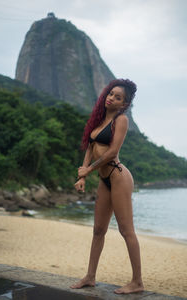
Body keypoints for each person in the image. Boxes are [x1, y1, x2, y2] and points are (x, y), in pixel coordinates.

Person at [70, 79, 144, 294]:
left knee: (126, 230)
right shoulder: (99, 120)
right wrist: (83, 175)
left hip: (118, 176)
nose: (111, 98)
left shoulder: (120, 120)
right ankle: (90, 276)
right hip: (104, 180)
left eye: (117, 97)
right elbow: (90, 147)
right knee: (98, 230)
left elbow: (111, 152)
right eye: (111, 94)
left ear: (124, 104)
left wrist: (88, 170)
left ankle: (137, 282)